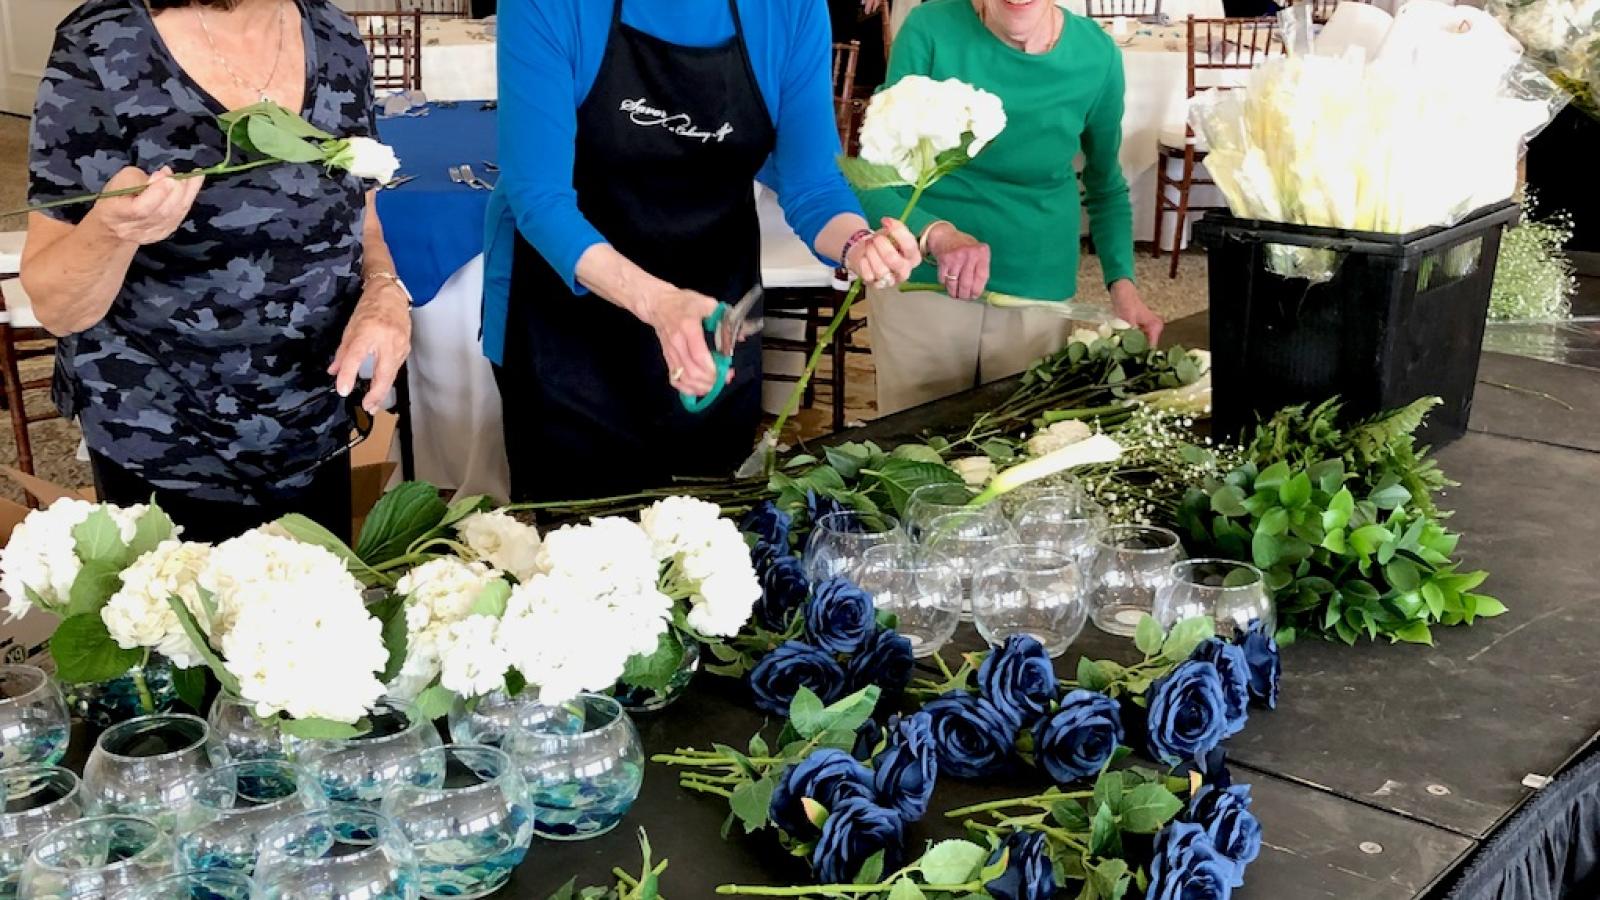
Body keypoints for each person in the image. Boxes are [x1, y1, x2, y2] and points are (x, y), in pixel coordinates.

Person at [486, 0, 922, 502]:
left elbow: (814, 184)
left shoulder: (791, 9)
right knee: (579, 546)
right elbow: (539, 198)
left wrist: (857, 244)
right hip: (566, 319)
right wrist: (659, 303)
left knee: (703, 540)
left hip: (714, 317)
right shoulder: (549, 6)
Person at [21, 0, 409, 542]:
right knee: (175, 623)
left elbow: (363, 222)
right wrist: (112, 231)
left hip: (311, 429)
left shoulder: (335, 35)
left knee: (316, 618)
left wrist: (384, 290)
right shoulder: (103, 44)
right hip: (165, 442)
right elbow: (57, 307)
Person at [858, 0, 1165, 416]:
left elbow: (1105, 183)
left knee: (1017, 445)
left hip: (1035, 291)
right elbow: (873, 177)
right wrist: (939, 234)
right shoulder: (930, 28)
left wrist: (1123, 284)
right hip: (924, 280)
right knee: (917, 444)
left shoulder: (1097, 56)